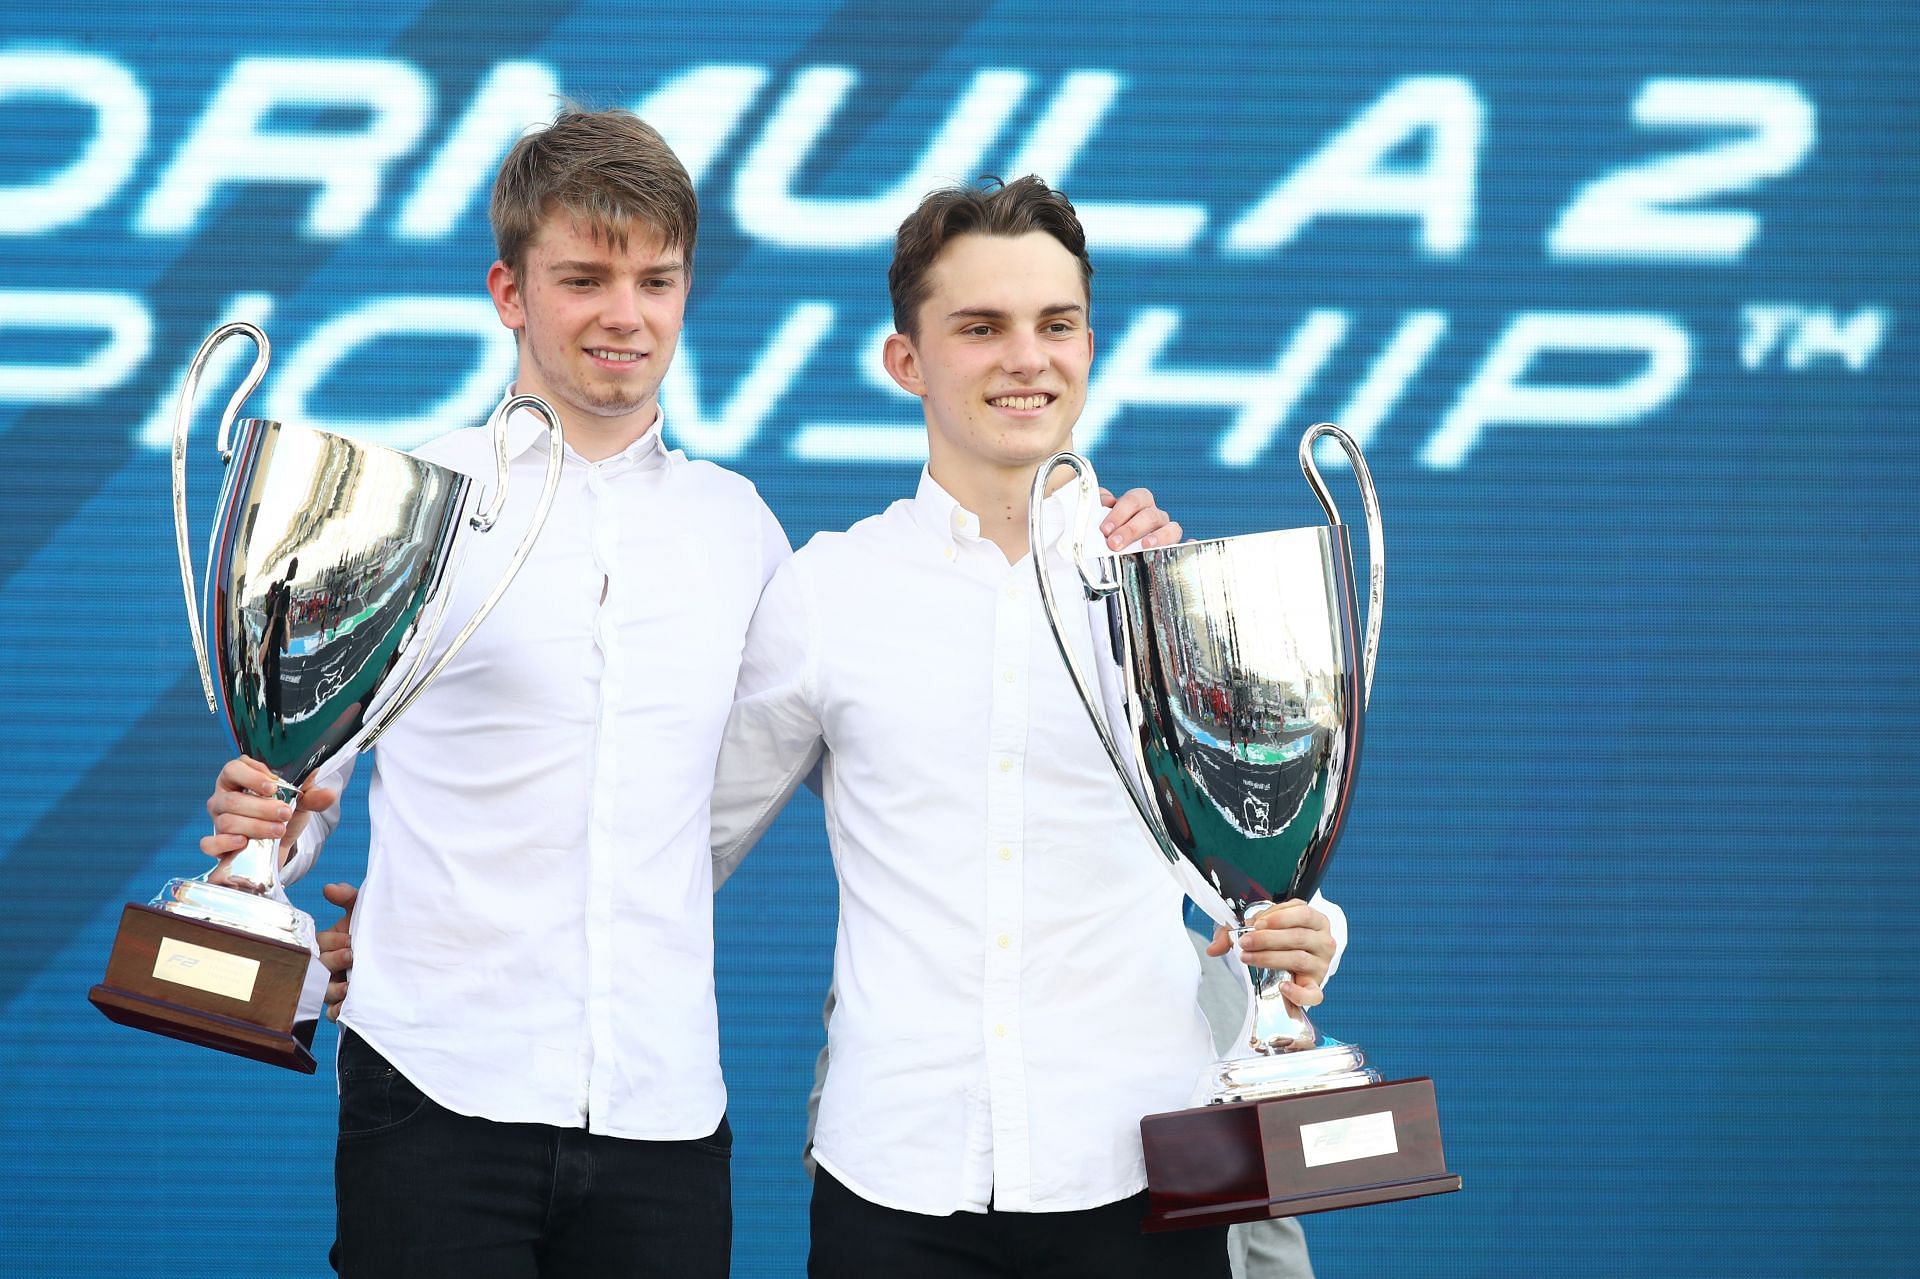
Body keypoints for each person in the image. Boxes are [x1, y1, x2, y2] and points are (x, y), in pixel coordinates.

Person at [201, 111, 1179, 1279]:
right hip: (434, 1084)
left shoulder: (745, 535)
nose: (626, 313)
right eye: (585, 279)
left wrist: (1109, 556)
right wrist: (272, 849)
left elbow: (709, 816)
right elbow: (310, 763)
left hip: (664, 1122)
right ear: (509, 292)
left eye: (656, 279)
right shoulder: (410, 501)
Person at [705, 176, 1347, 1278]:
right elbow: (677, 844)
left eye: (1056, 326)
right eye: (981, 327)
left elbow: (1251, 870)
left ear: (1090, 345)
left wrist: (1309, 929)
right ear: (907, 360)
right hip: (897, 1179)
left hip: (1150, 1172)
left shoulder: (1170, 593)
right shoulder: (827, 592)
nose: (1026, 358)